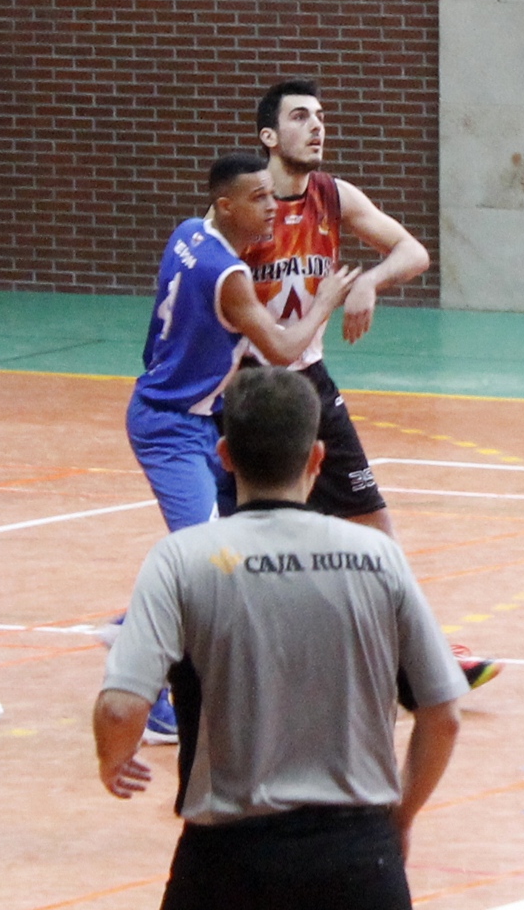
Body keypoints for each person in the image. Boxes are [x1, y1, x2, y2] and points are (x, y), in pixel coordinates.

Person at [96, 366, 465, 910]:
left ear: (223, 456)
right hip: (359, 859)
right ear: (317, 458)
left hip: (226, 861)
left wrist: (113, 758)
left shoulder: (180, 559)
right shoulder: (378, 557)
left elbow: (121, 709)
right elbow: (444, 716)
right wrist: (399, 820)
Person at [234, 78, 497, 691]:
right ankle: (167, 643)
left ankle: (422, 654)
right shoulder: (245, 208)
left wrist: (369, 282)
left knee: (374, 524)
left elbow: (413, 251)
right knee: (232, 541)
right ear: (269, 137)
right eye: (301, 117)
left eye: (321, 116)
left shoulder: (332, 195)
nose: (317, 126)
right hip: (246, 388)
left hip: (309, 382)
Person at [124, 151, 352, 742]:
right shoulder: (230, 279)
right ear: (226, 206)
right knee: (207, 562)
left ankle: (131, 629)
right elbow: (281, 350)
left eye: (272, 195)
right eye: (258, 198)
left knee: (231, 548)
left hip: (200, 420)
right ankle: (150, 693)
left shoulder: (189, 232)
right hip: (173, 426)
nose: (273, 206)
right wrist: (325, 301)